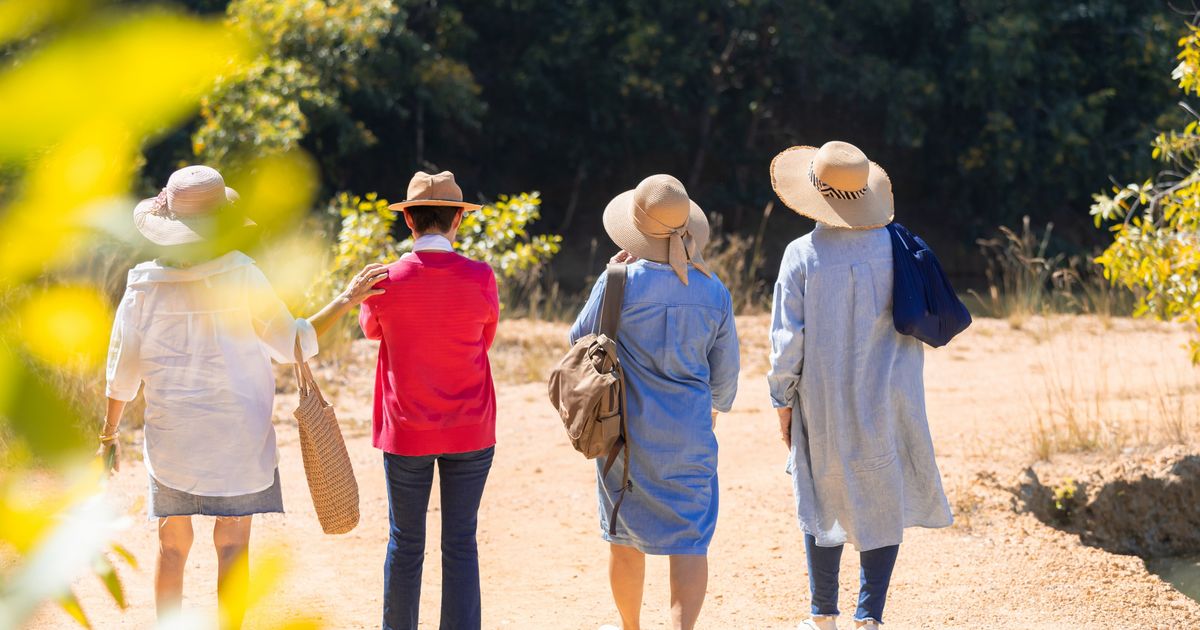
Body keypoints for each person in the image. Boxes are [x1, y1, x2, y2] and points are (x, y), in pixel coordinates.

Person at [100, 165, 386, 627]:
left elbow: (122, 373)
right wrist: (346, 299)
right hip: (237, 442)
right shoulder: (243, 276)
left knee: (171, 549)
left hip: (172, 443)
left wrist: (108, 436)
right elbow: (293, 343)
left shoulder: (141, 285)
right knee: (232, 546)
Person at [766, 141, 953, 630]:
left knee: (820, 491)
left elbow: (787, 341)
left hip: (822, 397)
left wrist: (782, 400)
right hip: (891, 390)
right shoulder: (896, 247)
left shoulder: (801, 255)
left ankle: (822, 614)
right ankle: (869, 617)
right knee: (882, 493)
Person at [569, 174, 740, 630]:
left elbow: (578, 341)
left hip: (625, 436)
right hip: (690, 435)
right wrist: (709, 413)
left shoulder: (618, 281)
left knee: (624, 537)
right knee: (690, 540)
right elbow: (724, 383)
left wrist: (610, 276)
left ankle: (631, 628)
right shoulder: (714, 291)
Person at [358, 170, 499, 630]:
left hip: (406, 430)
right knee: (461, 541)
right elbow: (486, 337)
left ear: (409, 222)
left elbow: (371, 331)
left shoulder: (385, 279)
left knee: (405, 542)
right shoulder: (481, 276)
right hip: (471, 428)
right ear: (458, 220)